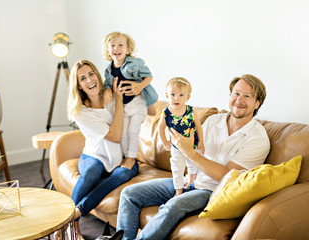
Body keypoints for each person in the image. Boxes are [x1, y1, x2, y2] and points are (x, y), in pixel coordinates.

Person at [116, 74, 271, 240]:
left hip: (212, 192)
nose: (239, 100)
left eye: (247, 96)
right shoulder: (213, 121)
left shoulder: (258, 139)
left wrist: (189, 151)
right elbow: (192, 146)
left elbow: (227, 176)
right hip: (190, 181)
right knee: (129, 194)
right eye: (236, 93)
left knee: (173, 205)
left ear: (257, 103)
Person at [54, 60, 139, 240]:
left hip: (122, 156)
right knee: (91, 173)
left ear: (97, 76)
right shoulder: (80, 111)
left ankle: (75, 214)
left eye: (91, 74)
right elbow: (115, 136)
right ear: (78, 85)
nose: (89, 80)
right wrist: (118, 101)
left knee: (122, 174)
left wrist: (118, 97)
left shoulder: (111, 94)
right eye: (83, 78)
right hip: (94, 155)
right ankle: (70, 226)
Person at [102, 31, 158, 165]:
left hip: (137, 103)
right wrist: (107, 91)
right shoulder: (108, 70)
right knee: (123, 133)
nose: (116, 48)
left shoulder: (136, 64)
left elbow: (148, 76)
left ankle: (131, 157)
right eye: (113, 45)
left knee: (133, 131)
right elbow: (107, 84)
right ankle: (126, 156)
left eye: (121, 45)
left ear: (128, 50)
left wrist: (140, 86)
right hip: (123, 106)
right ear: (108, 51)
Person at [157, 77, 205, 197]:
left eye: (181, 95)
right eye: (172, 94)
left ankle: (191, 180)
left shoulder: (191, 111)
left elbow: (198, 126)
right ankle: (178, 190)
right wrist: (165, 143)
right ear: (167, 96)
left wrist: (201, 142)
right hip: (176, 146)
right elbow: (160, 128)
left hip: (192, 144)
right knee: (177, 168)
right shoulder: (166, 113)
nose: (176, 98)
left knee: (193, 164)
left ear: (188, 97)